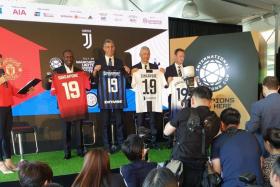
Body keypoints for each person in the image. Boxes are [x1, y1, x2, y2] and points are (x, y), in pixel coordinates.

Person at [163, 86, 220, 187]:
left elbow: (166, 132)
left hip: (179, 165)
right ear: (210, 102)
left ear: (192, 100)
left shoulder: (185, 112)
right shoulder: (216, 119)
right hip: (201, 166)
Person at [45, 49, 86, 159]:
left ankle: (80, 150)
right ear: (63, 59)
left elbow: (86, 86)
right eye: (67, 57)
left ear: (73, 58)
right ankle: (67, 152)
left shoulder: (79, 71)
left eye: (71, 57)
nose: (69, 59)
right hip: (65, 106)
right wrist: (49, 80)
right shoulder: (57, 72)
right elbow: (47, 87)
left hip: (78, 105)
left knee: (78, 129)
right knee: (66, 129)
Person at [92, 39, 130, 153]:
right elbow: (94, 80)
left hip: (117, 96)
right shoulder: (98, 61)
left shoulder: (119, 62)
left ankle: (121, 144)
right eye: (108, 47)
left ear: (114, 48)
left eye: (112, 47)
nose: (110, 49)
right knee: (105, 123)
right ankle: (107, 146)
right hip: (104, 97)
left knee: (119, 121)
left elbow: (125, 80)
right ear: (104, 48)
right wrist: (94, 71)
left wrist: (127, 71)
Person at [211, 107, 263, 187]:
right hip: (257, 184)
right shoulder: (252, 136)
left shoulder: (217, 141)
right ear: (238, 123)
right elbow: (261, 162)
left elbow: (216, 173)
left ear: (221, 124)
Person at [0, 54, 34, 174]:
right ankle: (0, 163)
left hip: (7, 108)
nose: (1, 63)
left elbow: (13, 90)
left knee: (6, 135)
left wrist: (26, 91)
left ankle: (8, 161)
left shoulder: (3, 75)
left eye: (0, 61)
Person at [131, 46, 165, 145]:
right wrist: (131, 74)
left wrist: (162, 73)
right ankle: (141, 142)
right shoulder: (135, 67)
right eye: (144, 54)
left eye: (148, 54)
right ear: (140, 55)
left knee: (153, 120)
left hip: (152, 99)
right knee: (140, 120)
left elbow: (163, 83)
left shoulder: (155, 67)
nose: (146, 56)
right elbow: (131, 84)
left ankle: (153, 141)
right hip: (141, 99)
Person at [246, 76, 280, 156]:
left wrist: (247, 124)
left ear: (264, 87)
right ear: (278, 87)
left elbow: (251, 128)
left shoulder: (258, 105)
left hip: (266, 149)